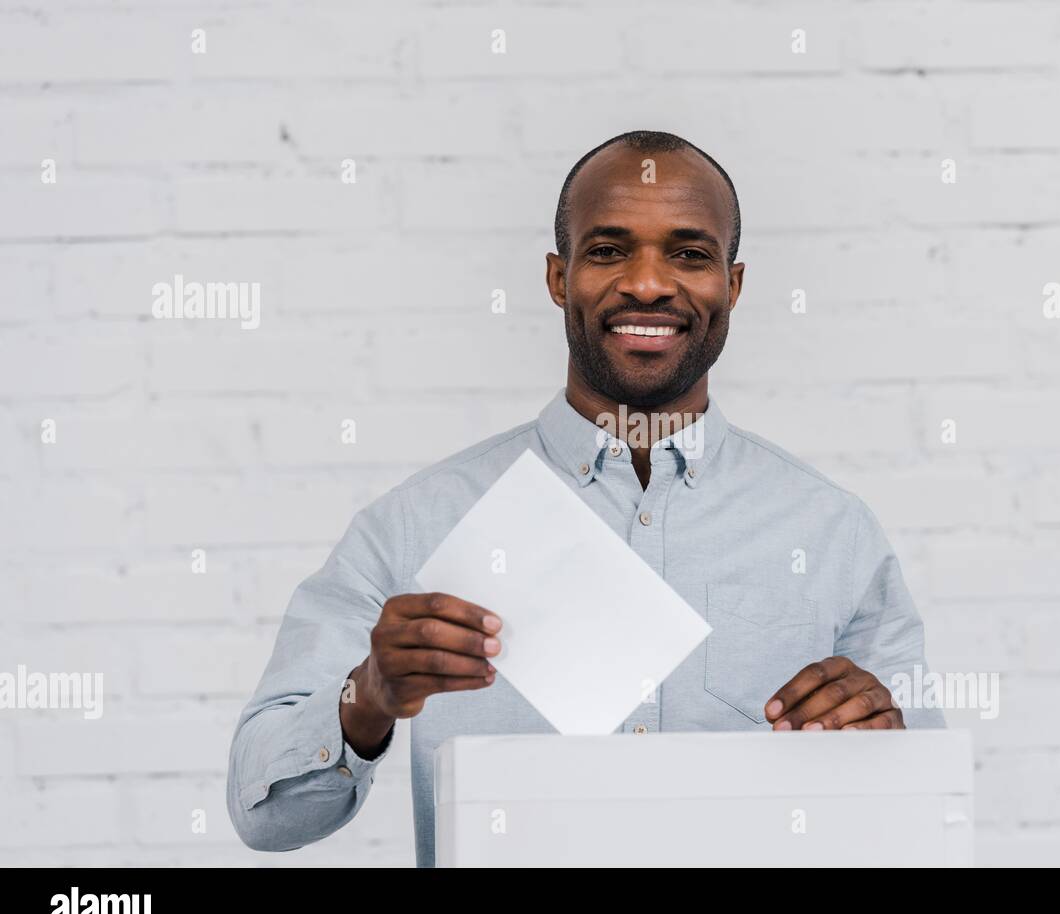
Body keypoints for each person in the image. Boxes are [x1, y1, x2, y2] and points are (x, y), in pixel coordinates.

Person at [226, 130, 946, 866]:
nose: (645, 283)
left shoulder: (831, 531)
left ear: (731, 285)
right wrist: (368, 697)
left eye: (689, 254)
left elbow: (926, 814)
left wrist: (884, 748)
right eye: (607, 250)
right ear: (556, 278)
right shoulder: (418, 524)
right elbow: (263, 815)